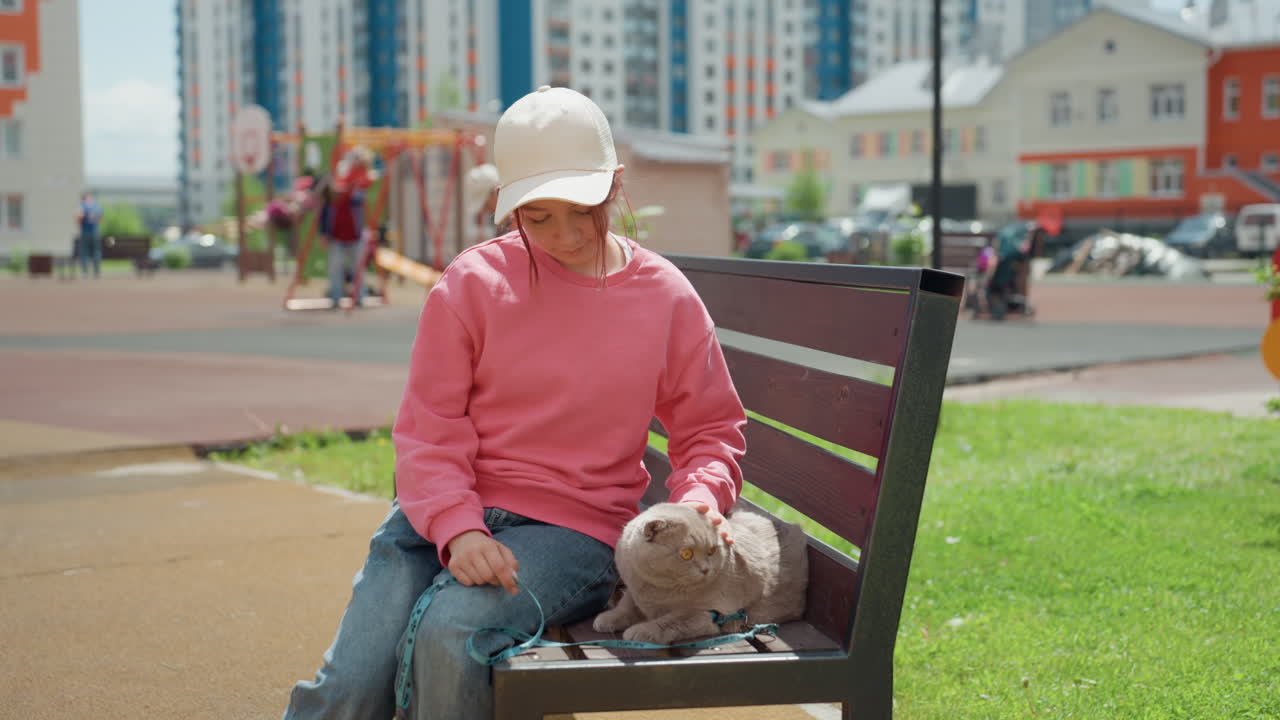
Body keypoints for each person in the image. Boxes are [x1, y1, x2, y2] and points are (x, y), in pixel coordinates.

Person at [281, 85, 748, 720]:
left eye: (583, 208)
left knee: (451, 632)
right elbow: (429, 431)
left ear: (613, 183)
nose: (565, 234)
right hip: (439, 515)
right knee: (351, 685)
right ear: (509, 211)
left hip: (573, 528)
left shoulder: (664, 296)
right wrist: (459, 527)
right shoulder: (471, 285)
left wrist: (700, 499)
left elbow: (709, 429)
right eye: (538, 216)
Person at [327, 146, 378, 306]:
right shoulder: (344, 174)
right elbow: (338, 190)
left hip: (355, 233)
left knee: (358, 268)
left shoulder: (362, 177)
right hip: (338, 232)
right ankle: (336, 297)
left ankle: (359, 296)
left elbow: (368, 180)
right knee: (336, 267)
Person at [463, 162, 503, 246]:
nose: (485, 210)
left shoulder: (516, 222)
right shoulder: (503, 223)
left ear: (496, 192)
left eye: (485, 204)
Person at [75, 193, 104, 278]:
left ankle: (85, 272)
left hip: (85, 232)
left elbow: (78, 217)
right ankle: (97, 272)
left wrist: (80, 224)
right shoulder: (96, 206)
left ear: (83, 199)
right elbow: (100, 218)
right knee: (96, 251)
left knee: (84, 252)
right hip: (95, 232)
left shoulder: (82, 206)